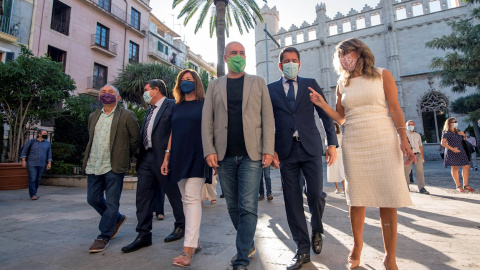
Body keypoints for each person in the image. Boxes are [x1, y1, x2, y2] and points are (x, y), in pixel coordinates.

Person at [309, 38, 414, 270]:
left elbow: (395, 108)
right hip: (355, 140)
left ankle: (390, 257)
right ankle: (357, 245)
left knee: (388, 199)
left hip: (383, 138)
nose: (344, 57)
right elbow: (341, 118)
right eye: (340, 54)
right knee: (356, 198)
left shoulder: (382, 74)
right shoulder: (341, 84)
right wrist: (322, 104)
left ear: (360, 52)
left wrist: (403, 140)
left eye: (348, 52)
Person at [202, 41, 275, 270]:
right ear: (225, 58)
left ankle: (241, 257)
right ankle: (248, 243)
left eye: (242, 53)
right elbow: (206, 120)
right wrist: (209, 150)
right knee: (233, 206)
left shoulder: (258, 82)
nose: (238, 56)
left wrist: (268, 149)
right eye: (234, 53)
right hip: (223, 155)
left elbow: (268, 117)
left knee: (248, 206)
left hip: (251, 155)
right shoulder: (214, 85)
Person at [269, 46, 338, 270]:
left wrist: (332, 143)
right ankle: (302, 249)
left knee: (316, 193)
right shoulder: (270, 90)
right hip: (286, 152)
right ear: (280, 65)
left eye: (294, 60)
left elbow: (325, 114)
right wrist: (270, 149)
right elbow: (266, 122)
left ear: (300, 63)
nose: (291, 64)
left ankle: (317, 227)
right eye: (286, 61)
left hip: (310, 148)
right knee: (292, 200)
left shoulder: (311, 84)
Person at [122, 79, 185, 253]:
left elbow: (177, 132)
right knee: (142, 197)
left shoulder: (172, 105)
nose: (144, 93)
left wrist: (169, 155)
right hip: (146, 158)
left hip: (164, 158)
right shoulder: (149, 110)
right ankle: (143, 235)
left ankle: (181, 226)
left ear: (156, 90)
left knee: (173, 194)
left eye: (146, 90)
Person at [160, 69, 211, 267]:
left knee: (191, 197)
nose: (185, 83)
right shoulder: (176, 106)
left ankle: (188, 248)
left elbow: (212, 128)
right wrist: (167, 155)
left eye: (189, 80)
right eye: (182, 80)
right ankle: (195, 241)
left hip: (199, 155)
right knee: (185, 199)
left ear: (196, 82)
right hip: (179, 155)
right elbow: (173, 132)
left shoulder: (206, 104)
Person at [83, 85, 140, 253]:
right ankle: (117, 219)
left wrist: (124, 154)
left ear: (119, 97)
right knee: (92, 199)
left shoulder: (127, 115)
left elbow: (135, 139)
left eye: (110, 92)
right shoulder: (93, 116)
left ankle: (103, 236)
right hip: (94, 163)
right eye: (103, 92)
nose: (106, 95)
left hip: (114, 165)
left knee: (112, 201)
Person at [441, 118, 474, 192]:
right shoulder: (446, 132)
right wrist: (453, 149)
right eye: (454, 122)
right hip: (452, 151)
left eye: (456, 121)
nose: (456, 123)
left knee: (466, 166)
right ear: (450, 123)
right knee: (455, 168)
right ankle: (458, 186)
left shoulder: (458, 131)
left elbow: (463, 141)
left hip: (461, 151)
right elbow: (443, 143)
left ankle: (466, 185)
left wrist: (464, 135)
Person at [20, 129, 52, 200]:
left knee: (38, 179)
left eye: (46, 133)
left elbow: (49, 154)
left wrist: (49, 163)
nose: (46, 135)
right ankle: (33, 194)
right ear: (39, 134)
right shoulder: (32, 142)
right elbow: (24, 151)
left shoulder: (47, 143)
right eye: (44, 133)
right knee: (32, 178)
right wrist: (23, 160)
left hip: (42, 164)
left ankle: (34, 192)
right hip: (32, 163)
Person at [404, 120, 429, 194]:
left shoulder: (417, 135)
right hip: (407, 155)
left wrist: (422, 156)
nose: (410, 126)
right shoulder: (403, 135)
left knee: (420, 171)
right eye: (409, 124)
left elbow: (420, 146)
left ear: (414, 126)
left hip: (417, 154)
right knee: (406, 172)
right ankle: (406, 186)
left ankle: (421, 188)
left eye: (412, 124)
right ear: (406, 126)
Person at [327, 122, 346, 194]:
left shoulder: (340, 136)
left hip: (340, 155)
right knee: (334, 171)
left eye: (334, 126)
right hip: (331, 155)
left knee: (341, 171)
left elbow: (342, 146)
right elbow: (327, 147)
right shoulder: (328, 136)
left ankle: (344, 189)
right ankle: (337, 188)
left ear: (337, 127)